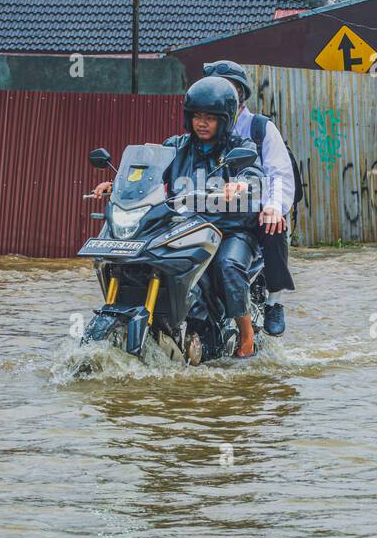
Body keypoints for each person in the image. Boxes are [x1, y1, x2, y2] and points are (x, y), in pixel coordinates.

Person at [92, 76, 264, 358]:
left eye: (210, 117)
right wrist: (118, 186)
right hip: (185, 226)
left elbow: (254, 173)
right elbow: (150, 173)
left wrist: (241, 184)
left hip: (231, 230)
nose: (202, 123)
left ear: (226, 119)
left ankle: (246, 337)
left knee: (228, 266)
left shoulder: (238, 147)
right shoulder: (176, 146)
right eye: (197, 116)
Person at [202, 59, 295, 336]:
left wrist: (274, 207)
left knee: (273, 223)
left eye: (225, 90)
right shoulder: (203, 129)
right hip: (213, 211)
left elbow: (278, 173)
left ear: (239, 95)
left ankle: (274, 300)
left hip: (254, 212)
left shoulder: (259, 128)